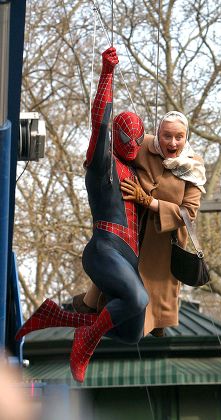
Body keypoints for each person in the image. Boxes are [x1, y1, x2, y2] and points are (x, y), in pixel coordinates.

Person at [15, 47, 149, 383]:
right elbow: (101, 121)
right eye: (126, 137)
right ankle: (85, 339)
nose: (132, 142)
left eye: (137, 138)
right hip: (104, 248)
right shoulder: (103, 164)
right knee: (136, 297)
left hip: (129, 258)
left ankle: (56, 315)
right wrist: (108, 72)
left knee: (133, 331)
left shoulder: (138, 172)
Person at [74, 110, 206, 337]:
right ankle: (95, 315)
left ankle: (156, 322)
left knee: (155, 292)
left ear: (186, 137)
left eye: (179, 136)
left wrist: (149, 201)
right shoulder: (143, 145)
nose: (172, 142)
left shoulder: (194, 166)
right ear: (157, 134)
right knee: (120, 275)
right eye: (166, 135)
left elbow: (188, 212)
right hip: (133, 228)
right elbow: (113, 150)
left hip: (163, 240)